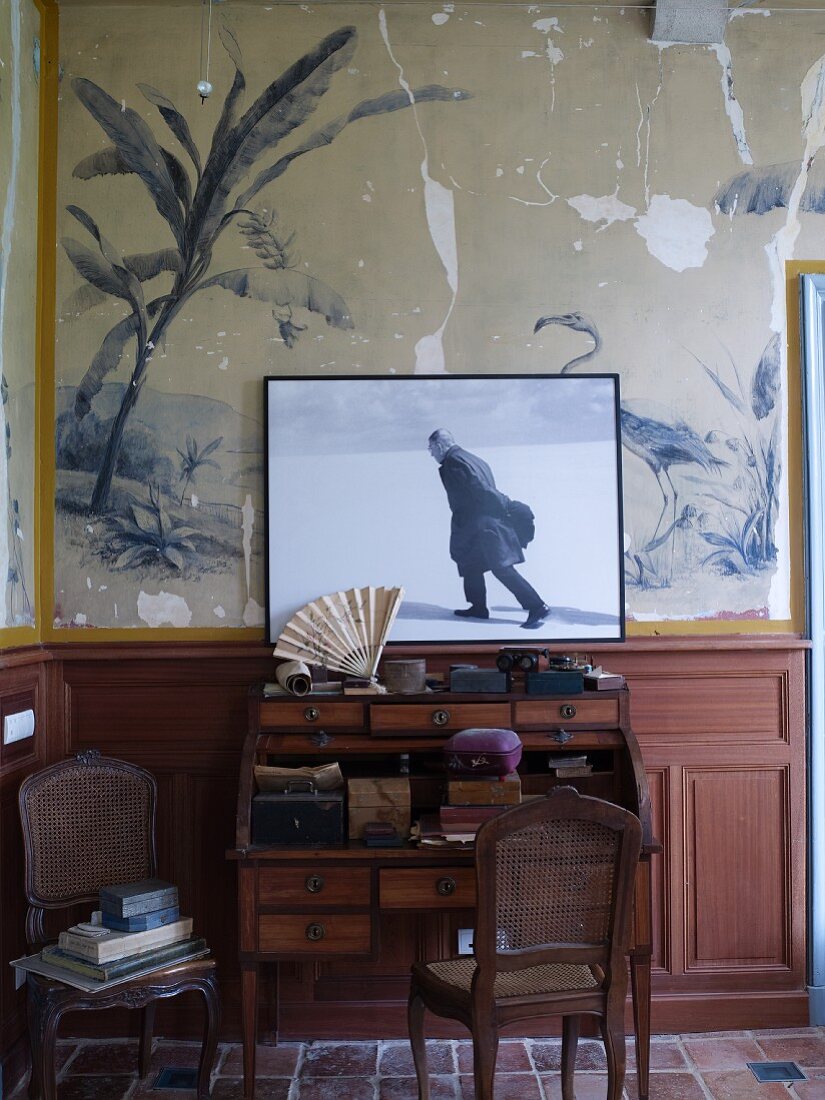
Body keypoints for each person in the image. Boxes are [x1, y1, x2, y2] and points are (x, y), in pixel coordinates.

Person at [427, 428, 551, 629]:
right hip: (475, 524)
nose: (431, 453)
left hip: (483, 525)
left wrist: (506, 505)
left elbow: (481, 489)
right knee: (470, 563)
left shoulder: (454, 462)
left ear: (440, 445)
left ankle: (537, 606)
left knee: (501, 567)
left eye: (431, 448)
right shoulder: (470, 457)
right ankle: (478, 607)